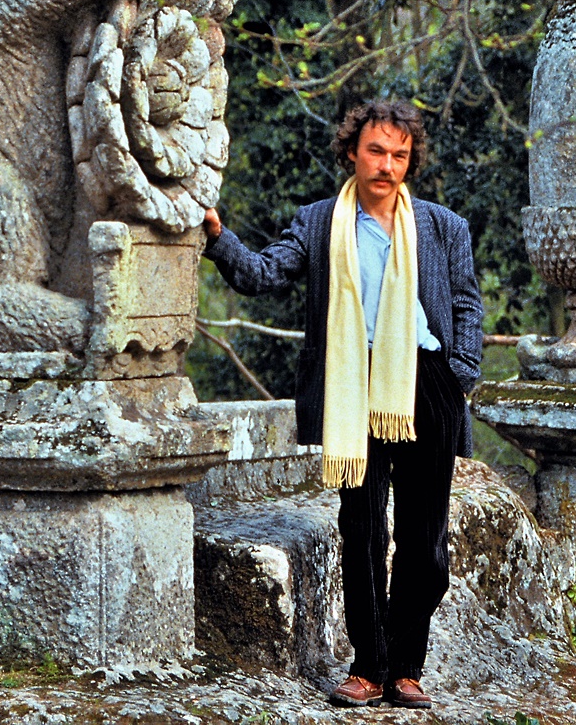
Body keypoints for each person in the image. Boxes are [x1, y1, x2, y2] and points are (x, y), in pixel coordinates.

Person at [201, 99, 482, 710]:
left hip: (424, 383)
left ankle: (409, 665)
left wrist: (460, 374)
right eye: (376, 151)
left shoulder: (442, 226)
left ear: (411, 160)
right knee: (361, 533)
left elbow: (466, 305)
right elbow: (264, 274)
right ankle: (371, 668)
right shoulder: (321, 221)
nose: (387, 165)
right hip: (355, 391)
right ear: (353, 151)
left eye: (399, 155)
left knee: (426, 547)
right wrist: (219, 239)